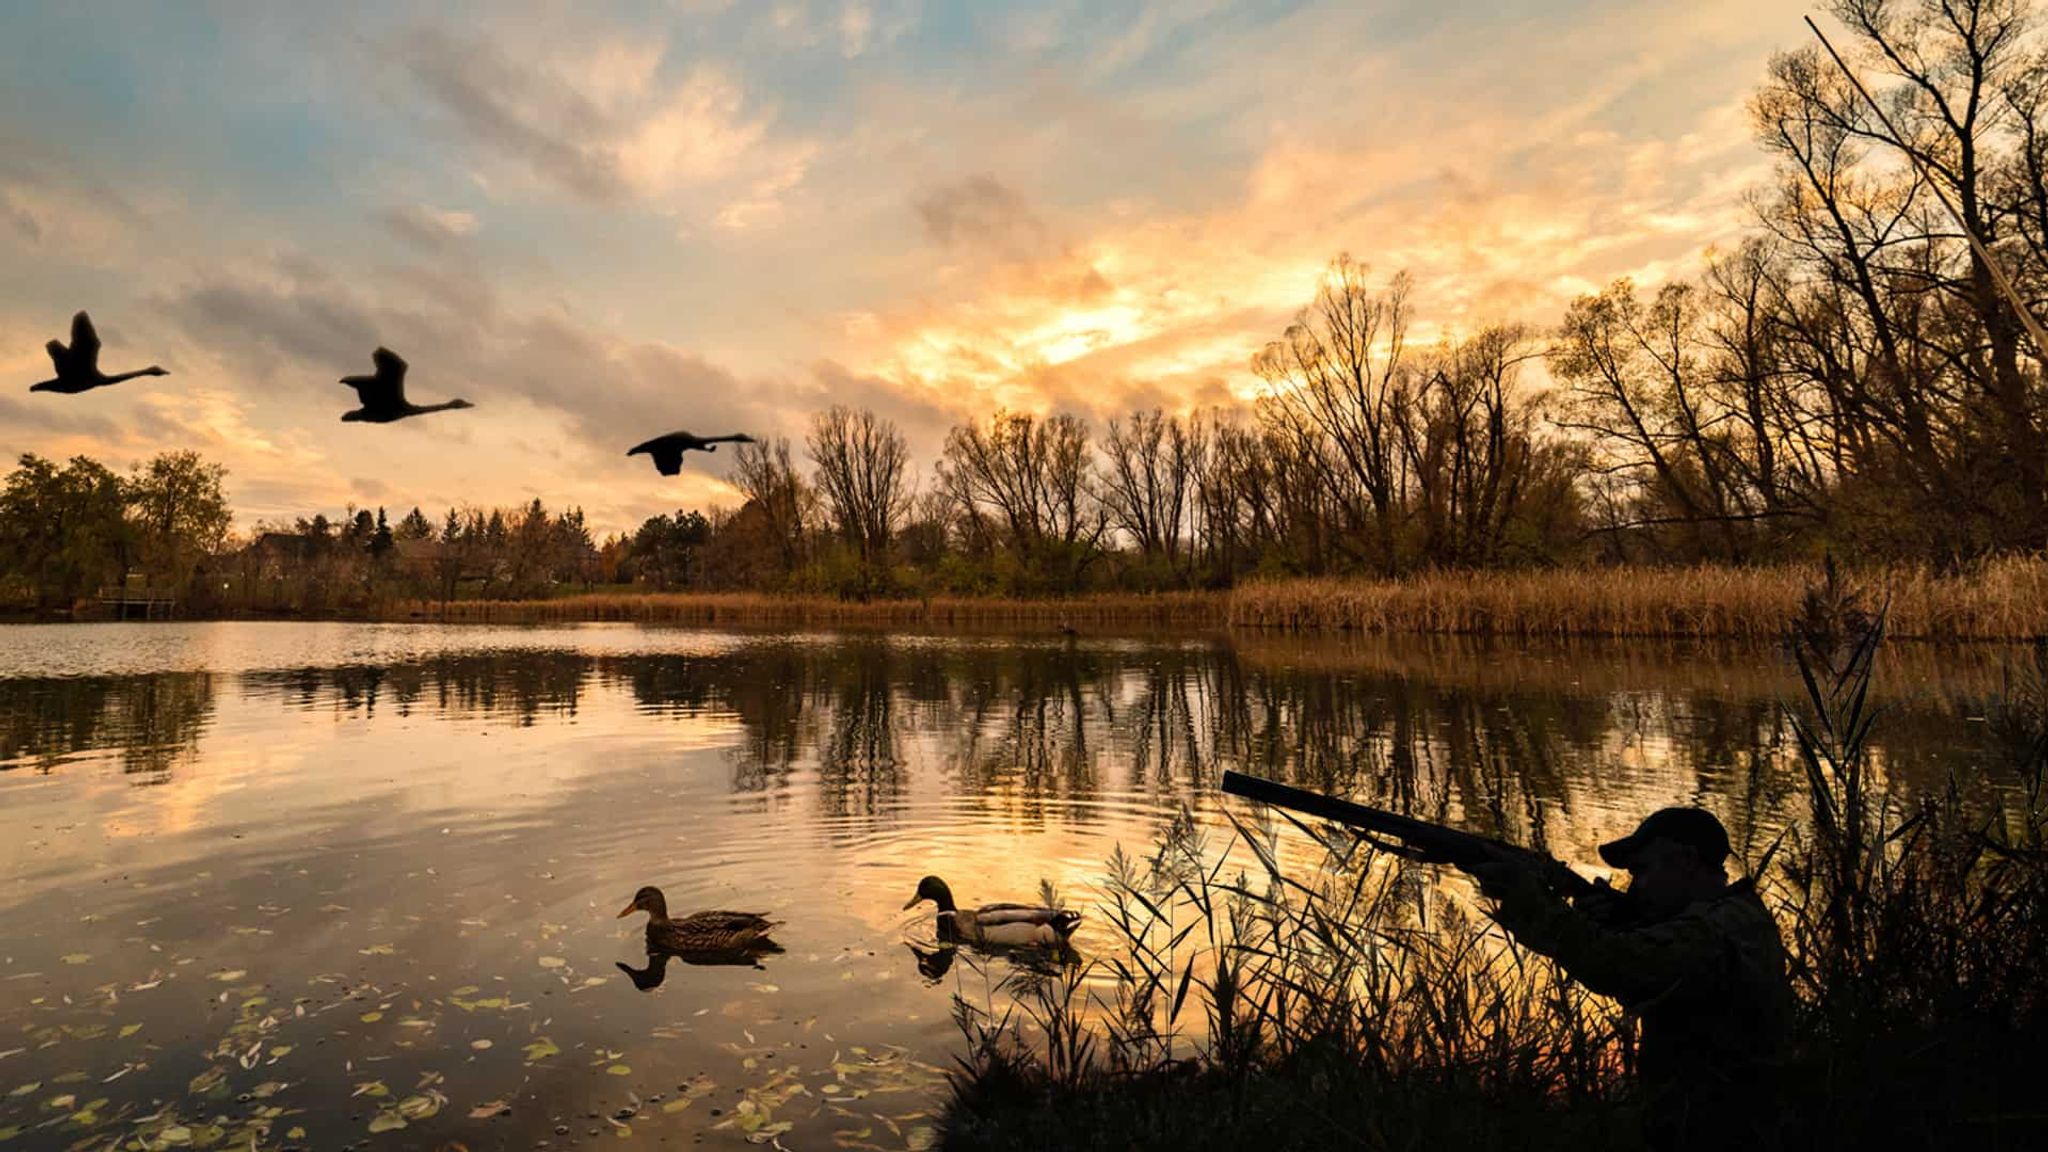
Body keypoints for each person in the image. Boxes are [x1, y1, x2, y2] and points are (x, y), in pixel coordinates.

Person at [1466, 807, 1791, 1152]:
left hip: (1720, 1132)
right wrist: (1615, 918)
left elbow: (1617, 964)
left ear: (1687, 859)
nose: (1637, 886)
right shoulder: (1736, 913)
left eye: (1642, 870)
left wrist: (1529, 901)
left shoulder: (1715, 930)